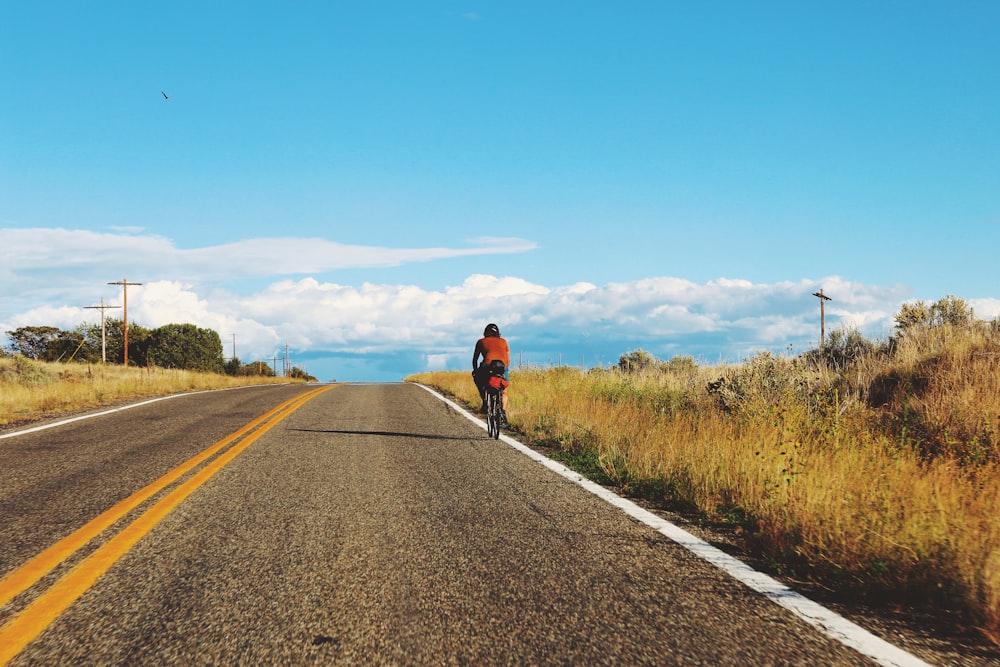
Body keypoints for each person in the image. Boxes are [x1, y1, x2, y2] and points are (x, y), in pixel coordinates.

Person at [472, 323, 510, 422]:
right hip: (502, 366)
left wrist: (475, 371)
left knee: (479, 380)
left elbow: (475, 359)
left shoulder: (481, 341)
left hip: (487, 366)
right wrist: (505, 369)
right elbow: (508, 360)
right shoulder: (503, 341)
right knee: (504, 391)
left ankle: (485, 401)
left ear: (485, 333)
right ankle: (503, 414)